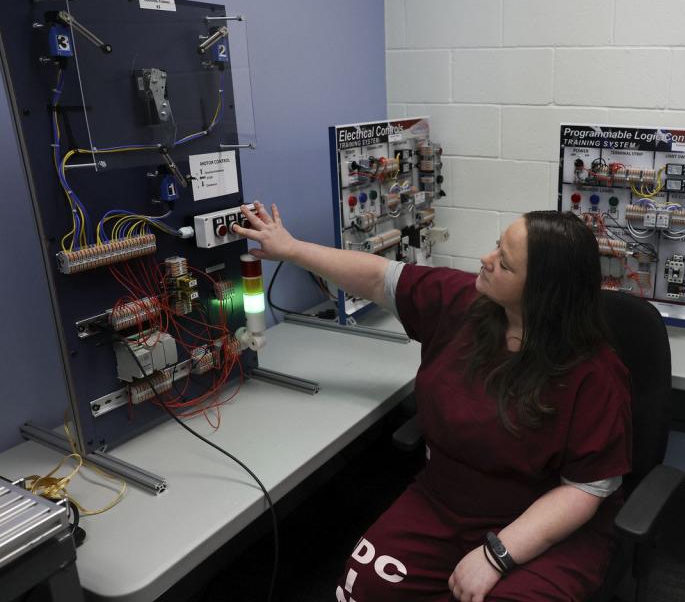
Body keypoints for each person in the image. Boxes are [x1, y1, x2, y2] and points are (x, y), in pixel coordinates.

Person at [233, 202, 633, 601]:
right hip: (445, 501)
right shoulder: (462, 303)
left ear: (543, 293)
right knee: (360, 587)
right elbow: (377, 279)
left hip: (546, 525)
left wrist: (497, 556)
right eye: (496, 247)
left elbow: (584, 490)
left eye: (505, 264)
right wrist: (290, 248)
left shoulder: (593, 373)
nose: (486, 260)